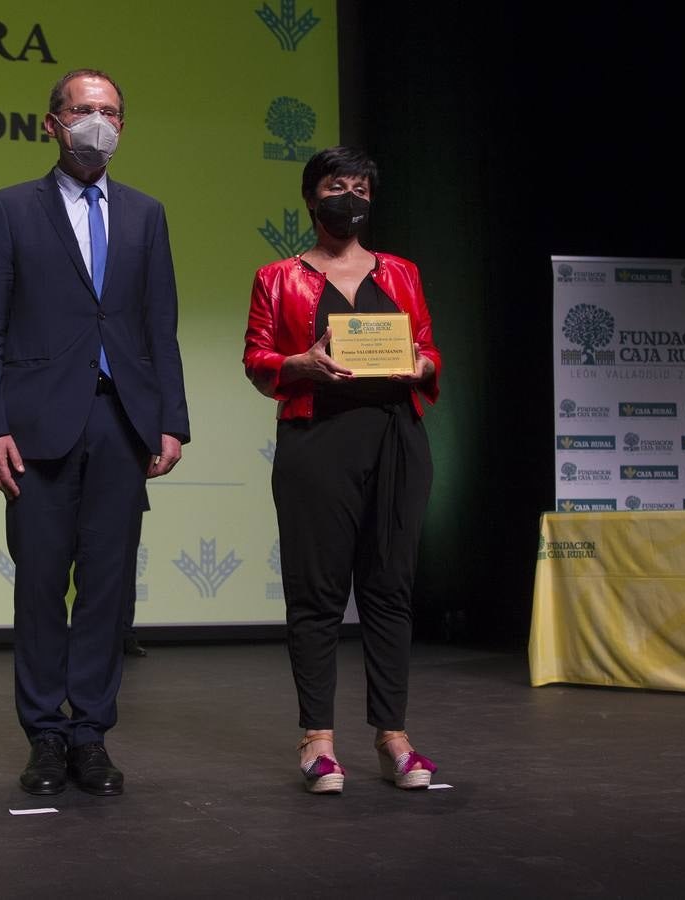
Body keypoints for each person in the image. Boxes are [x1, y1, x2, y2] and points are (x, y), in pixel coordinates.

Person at [0, 69, 189, 797]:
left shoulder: (145, 213)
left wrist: (170, 419)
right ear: (50, 123)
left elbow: (160, 325)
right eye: (83, 110)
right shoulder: (7, 209)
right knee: (38, 584)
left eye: (111, 112)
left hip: (121, 418)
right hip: (34, 423)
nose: (99, 122)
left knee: (107, 588)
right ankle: (43, 735)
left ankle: (90, 733)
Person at [242, 147, 441, 794]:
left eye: (358, 187)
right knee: (317, 591)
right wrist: (298, 363)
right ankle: (317, 741)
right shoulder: (277, 277)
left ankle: (393, 736)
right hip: (316, 438)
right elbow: (257, 359)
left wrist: (423, 367)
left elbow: (428, 348)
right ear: (311, 197)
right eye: (335, 186)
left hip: (395, 437)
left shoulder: (403, 272)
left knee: (389, 586)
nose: (347, 197)